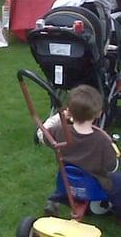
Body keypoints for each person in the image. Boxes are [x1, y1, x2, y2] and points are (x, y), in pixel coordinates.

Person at [37, 85, 121, 221]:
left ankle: (57, 198)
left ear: (69, 111)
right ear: (99, 113)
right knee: (117, 181)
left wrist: (60, 118)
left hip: (66, 181)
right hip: (95, 185)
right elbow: (111, 167)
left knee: (70, 175)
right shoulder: (101, 140)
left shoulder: (59, 131)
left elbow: (42, 134)